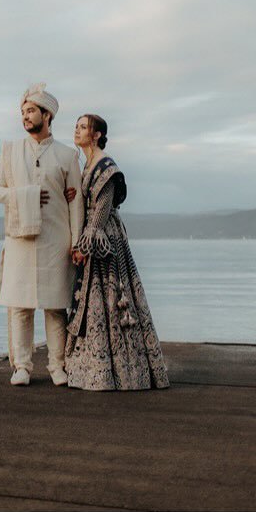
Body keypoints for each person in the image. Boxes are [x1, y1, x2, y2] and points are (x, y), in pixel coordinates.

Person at [65, 113, 170, 391]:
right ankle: (93, 368)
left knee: (111, 298)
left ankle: (121, 372)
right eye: (76, 126)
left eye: (84, 127)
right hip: (93, 234)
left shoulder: (106, 166)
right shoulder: (86, 165)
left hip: (104, 239)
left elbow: (101, 209)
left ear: (97, 134)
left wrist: (85, 246)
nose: (77, 131)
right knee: (95, 300)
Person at [0, 83, 84, 386]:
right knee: (20, 306)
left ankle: (58, 366)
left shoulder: (67, 156)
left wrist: (77, 240)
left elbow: (76, 203)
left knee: (56, 306)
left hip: (56, 240)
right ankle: (23, 367)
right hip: (20, 239)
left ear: (47, 114)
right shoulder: (9, 150)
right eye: (23, 112)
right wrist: (24, 194)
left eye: (31, 111)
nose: (25, 117)